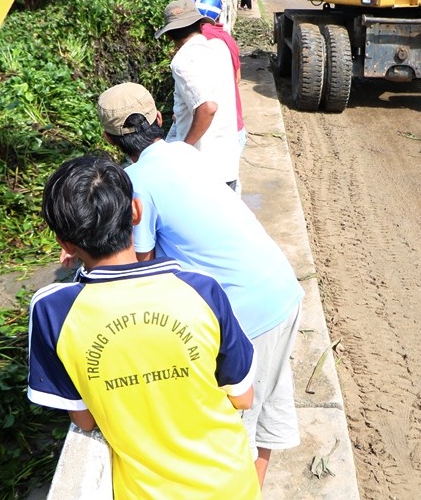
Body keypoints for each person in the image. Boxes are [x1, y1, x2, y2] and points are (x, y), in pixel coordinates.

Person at [96, 82, 304, 487]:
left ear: (108, 138)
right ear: (160, 120)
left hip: (246, 315)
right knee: (265, 415)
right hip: (281, 288)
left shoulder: (134, 182)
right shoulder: (184, 152)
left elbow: (142, 266)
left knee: (231, 435)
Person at [27, 155, 261, 499]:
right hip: (231, 484)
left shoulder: (52, 312)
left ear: (65, 244)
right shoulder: (201, 289)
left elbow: (86, 421)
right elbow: (242, 397)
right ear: (136, 212)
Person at [155, 0, 240, 188]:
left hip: (203, 169)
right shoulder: (219, 48)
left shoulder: (182, 61)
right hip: (227, 161)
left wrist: (185, 149)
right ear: (201, 25)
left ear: (169, 36)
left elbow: (207, 107)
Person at [190, 0, 246, 189]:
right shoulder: (227, 39)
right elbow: (237, 78)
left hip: (215, 134)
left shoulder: (198, 41)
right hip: (236, 126)